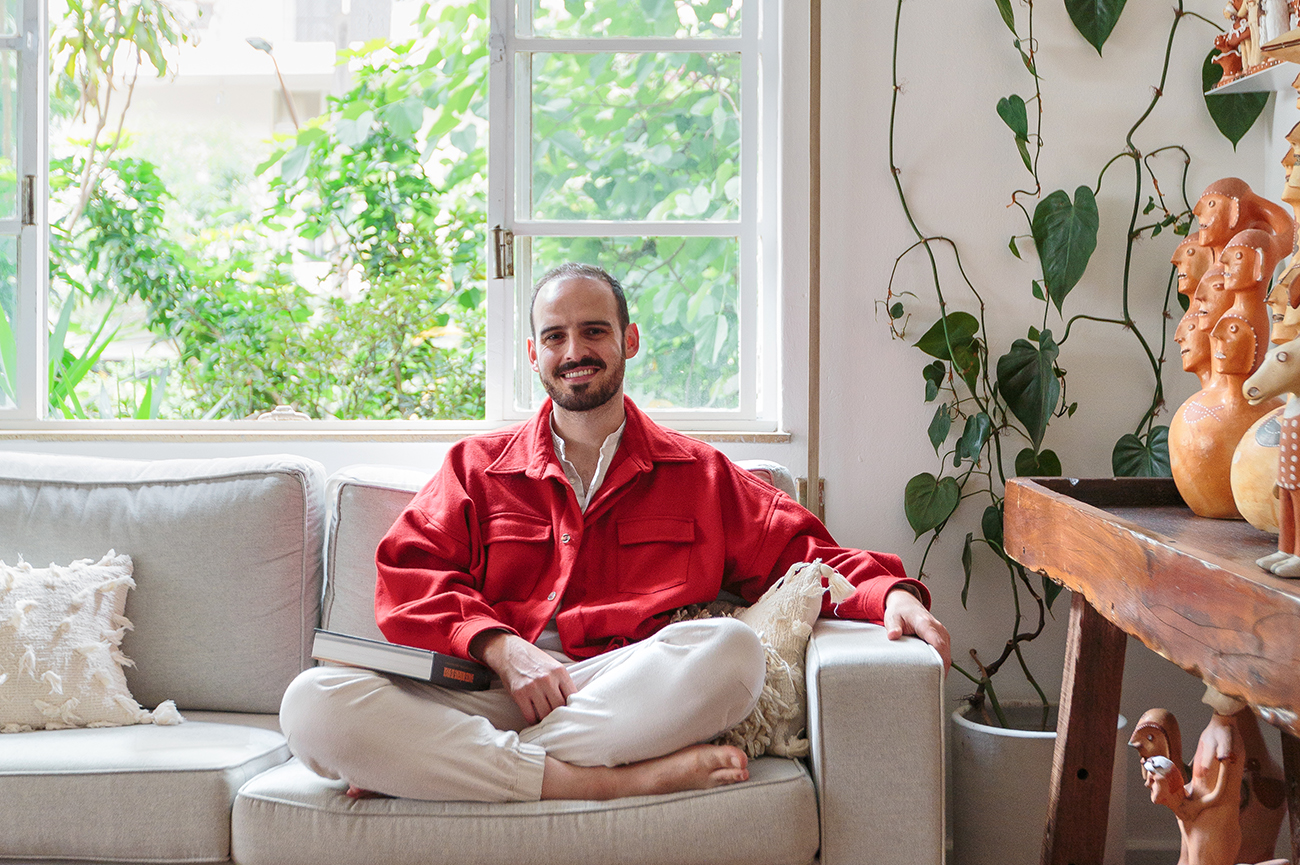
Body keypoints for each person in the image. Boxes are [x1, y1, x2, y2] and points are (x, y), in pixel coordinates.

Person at [281, 264, 950, 805]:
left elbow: (807, 558)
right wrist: (504, 650)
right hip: (487, 693)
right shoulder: (475, 468)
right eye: (555, 337)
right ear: (533, 354)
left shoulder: (700, 474)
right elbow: (409, 577)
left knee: (732, 652)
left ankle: (442, 768)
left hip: (618, 693)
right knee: (312, 704)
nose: (575, 353)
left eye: (593, 332)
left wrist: (889, 594)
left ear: (628, 341)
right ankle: (601, 783)